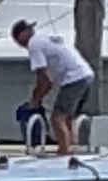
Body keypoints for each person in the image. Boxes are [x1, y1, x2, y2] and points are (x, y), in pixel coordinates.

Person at [11, 17, 94, 157]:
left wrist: (34, 101)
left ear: (23, 34)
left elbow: (43, 79)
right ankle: (70, 149)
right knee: (68, 117)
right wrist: (38, 97)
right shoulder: (44, 38)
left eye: (17, 39)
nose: (19, 44)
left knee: (57, 118)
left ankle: (64, 152)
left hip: (73, 78)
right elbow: (47, 82)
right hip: (86, 75)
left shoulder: (34, 44)